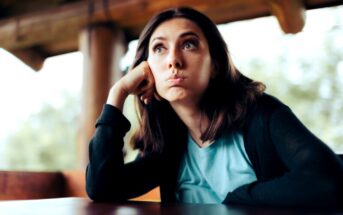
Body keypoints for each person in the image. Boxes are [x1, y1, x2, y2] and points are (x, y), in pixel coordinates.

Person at [85, 7, 343, 208]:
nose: (173, 60)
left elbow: (327, 180)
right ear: (146, 70)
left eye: (188, 44)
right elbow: (102, 187)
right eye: (160, 48)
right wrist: (116, 94)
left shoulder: (261, 114)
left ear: (215, 65)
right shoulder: (168, 144)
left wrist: (240, 197)